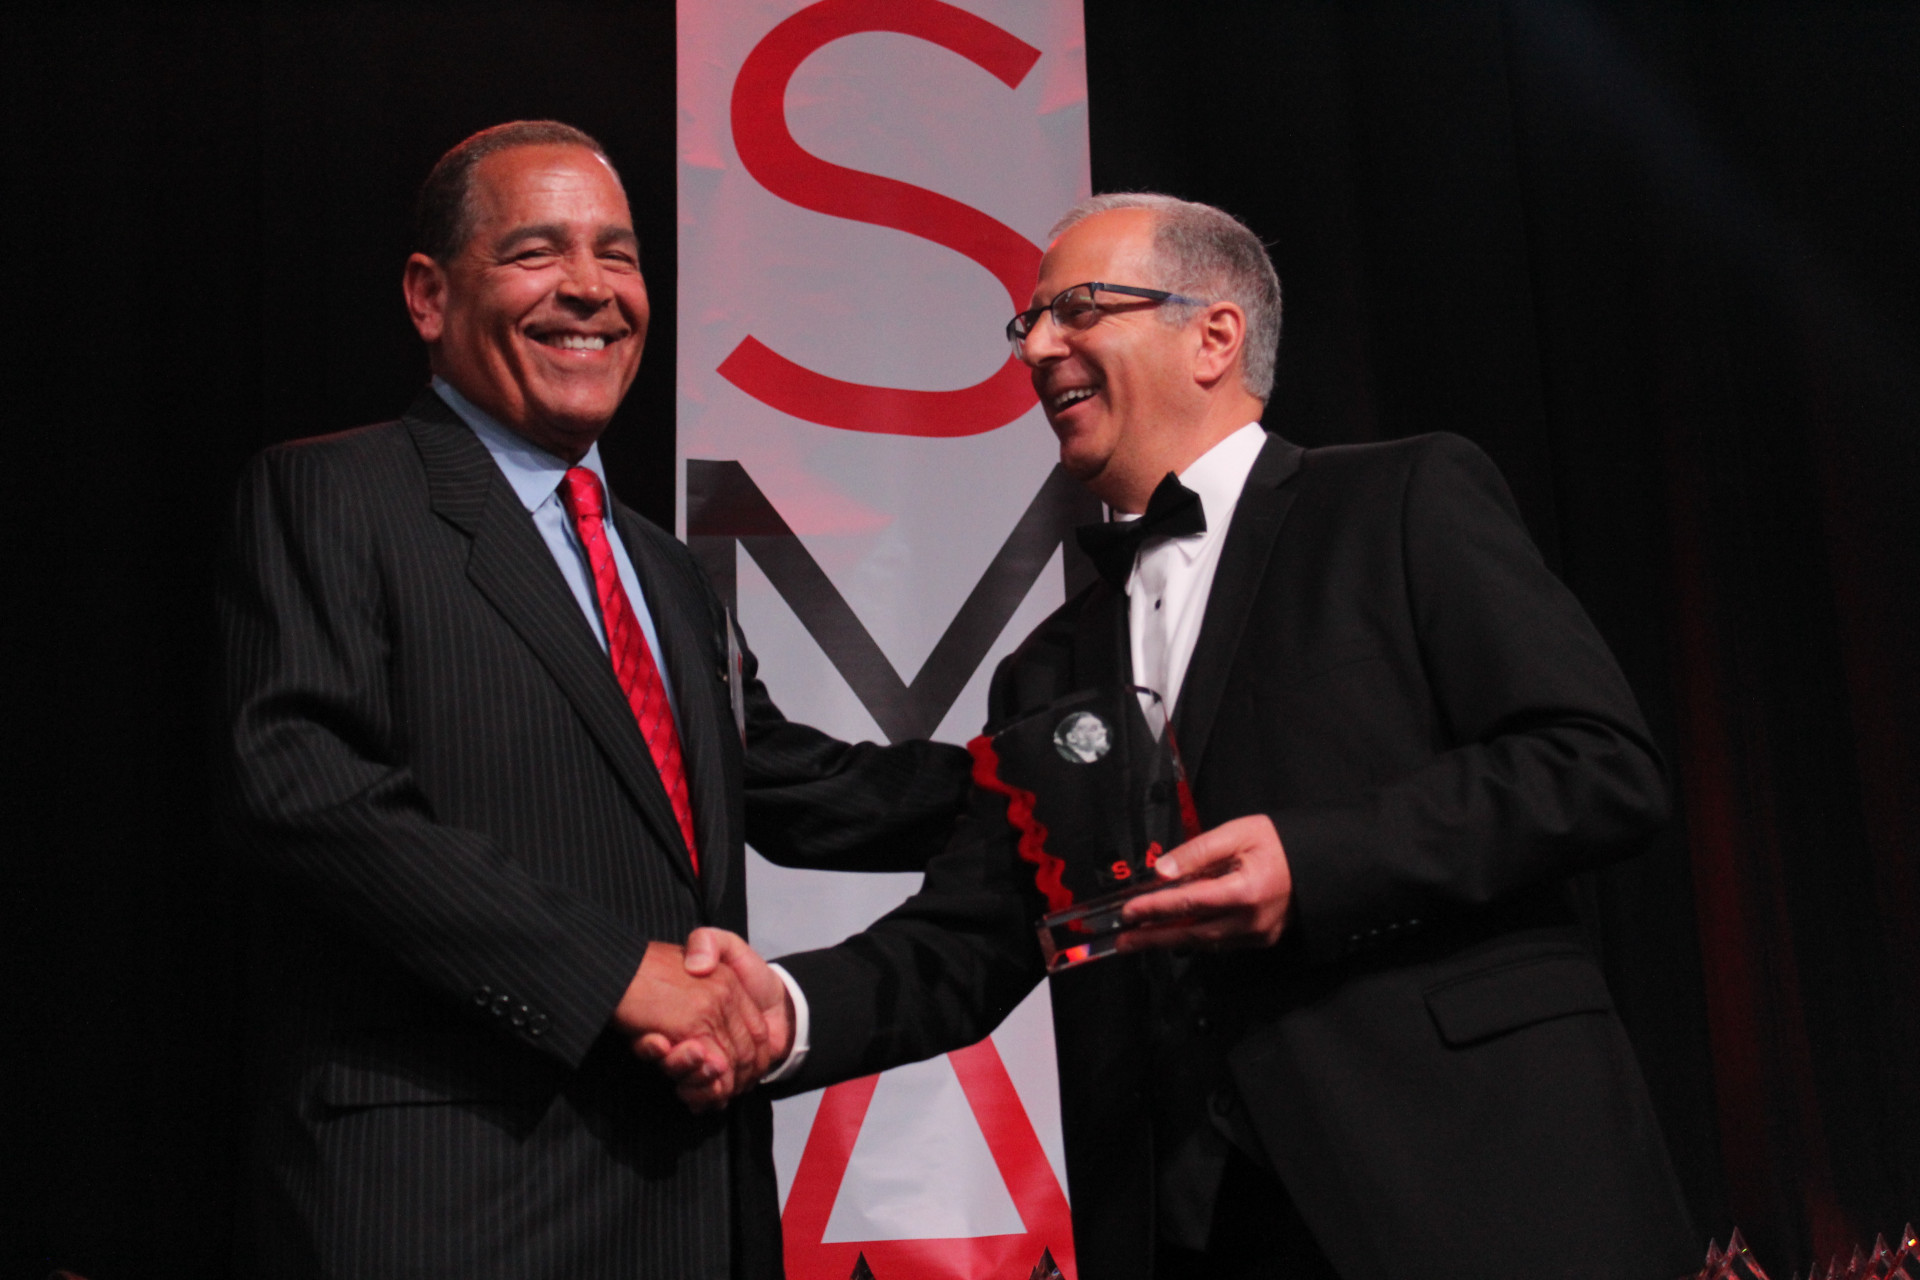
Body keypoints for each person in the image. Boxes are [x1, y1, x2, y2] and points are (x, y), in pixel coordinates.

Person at [673, 194, 1700, 1279]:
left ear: (1214, 334)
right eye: (1028, 324)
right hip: (1191, 1225)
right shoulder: (1046, 664)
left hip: (1475, 1185)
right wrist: (771, 1012)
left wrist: (1316, 860)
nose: (1038, 347)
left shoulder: (1402, 497)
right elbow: (971, 931)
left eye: (1079, 309)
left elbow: (1598, 762)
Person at [215, 121, 971, 1280]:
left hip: (693, 1195)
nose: (590, 290)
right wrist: (620, 970)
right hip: (459, 1200)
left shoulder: (664, 566)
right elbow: (308, 792)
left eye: (617, 256)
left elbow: (787, 779)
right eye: (537, 251)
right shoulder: (331, 492)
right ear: (428, 295)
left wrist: (1045, 781)